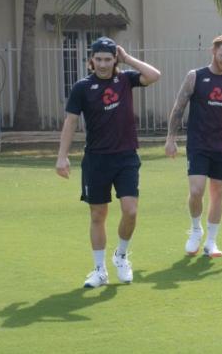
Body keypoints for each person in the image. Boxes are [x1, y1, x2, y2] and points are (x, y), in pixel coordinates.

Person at [56, 37, 161, 288]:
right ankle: (99, 270)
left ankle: (121, 256)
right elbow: (70, 122)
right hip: (96, 160)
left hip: (126, 157)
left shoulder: (125, 80)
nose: (103, 64)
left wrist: (128, 59)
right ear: (91, 60)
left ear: (115, 59)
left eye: (108, 59)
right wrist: (62, 156)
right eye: (99, 59)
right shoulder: (82, 87)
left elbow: (154, 75)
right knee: (98, 214)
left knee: (131, 211)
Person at [165, 34, 222, 258]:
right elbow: (179, 107)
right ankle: (196, 230)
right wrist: (171, 138)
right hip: (198, 144)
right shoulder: (195, 77)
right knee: (196, 190)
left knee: (217, 193)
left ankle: (211, 242)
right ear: (213, 51)